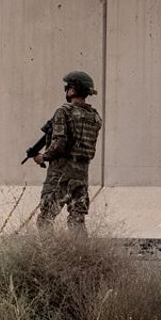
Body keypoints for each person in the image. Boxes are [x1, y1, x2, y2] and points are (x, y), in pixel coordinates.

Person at [33, 71, 102, 234]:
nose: (66, 90)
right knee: (77, 221)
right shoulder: (95, 117)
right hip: (82, 175)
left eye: (67, 87)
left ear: (73, 89)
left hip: (61, 173)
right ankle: (82, 257)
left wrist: (43, 157)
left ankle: (47, 257)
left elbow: (59, 145)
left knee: (46, 218)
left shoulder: (63, 112)